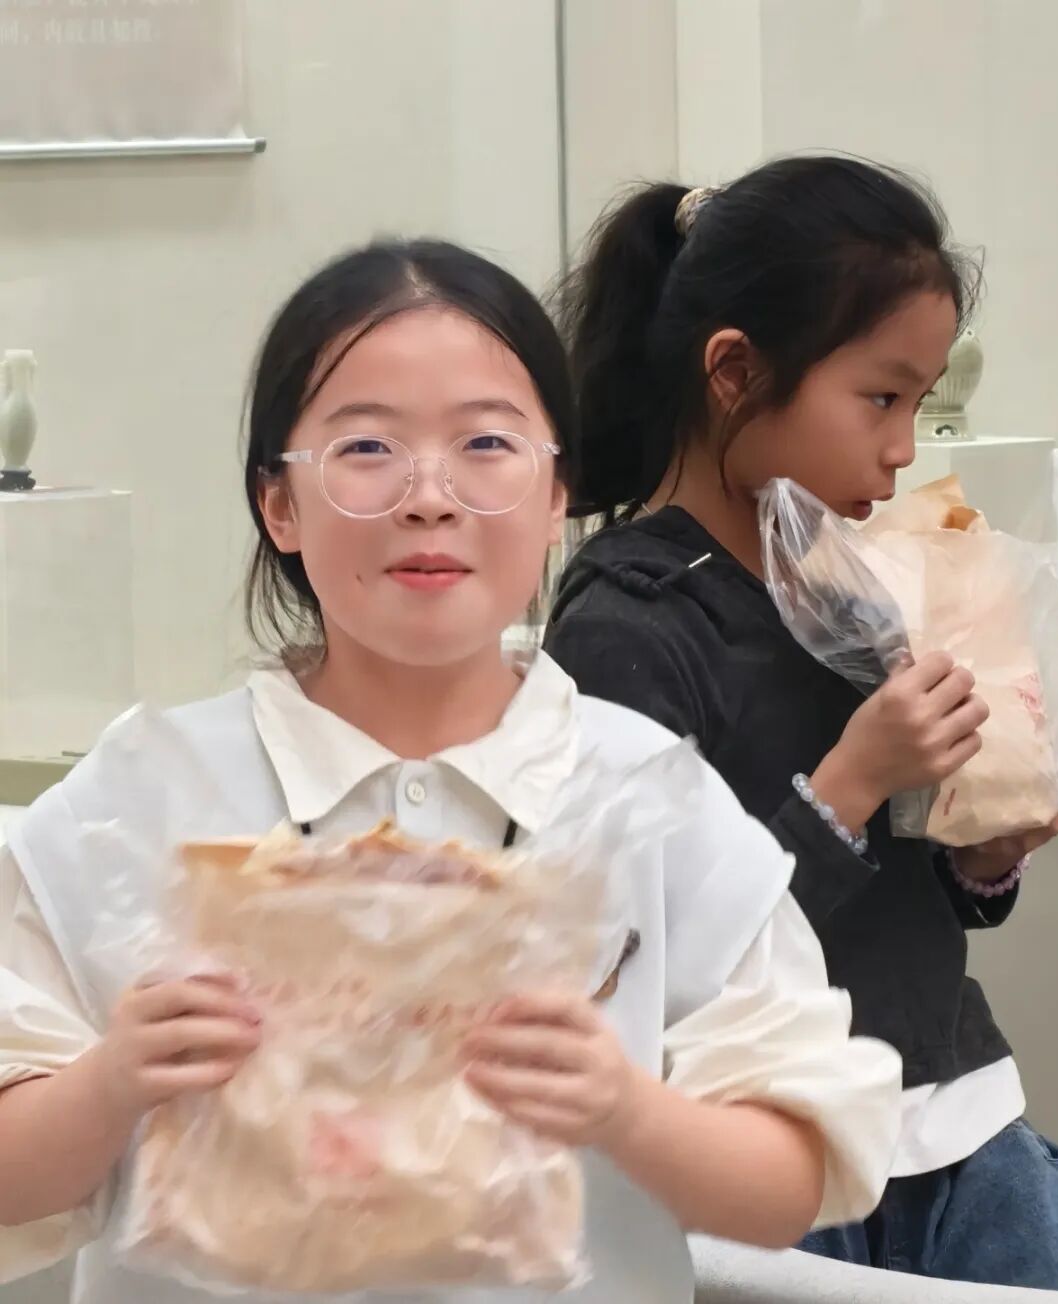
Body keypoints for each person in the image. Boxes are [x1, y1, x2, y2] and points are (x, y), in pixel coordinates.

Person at [0, 240, 899, 1304]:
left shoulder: (646, 798)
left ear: (556, 494)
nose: (429, 496)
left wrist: (624, 1108)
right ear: (278, 503)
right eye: (366, 446)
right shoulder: (143, 798)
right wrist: (110, 1085)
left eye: (486, 443)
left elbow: (790, 1184)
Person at [543, 156, 1058, 1291]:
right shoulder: (626, 622)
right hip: (768, 1159)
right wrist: (853, 779)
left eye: (918, 404)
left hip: (960, 1124)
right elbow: (649, 958)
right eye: (881, 399)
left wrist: (981, 852)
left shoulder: (856, 583)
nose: (904, 447)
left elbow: (905, 889)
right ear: (735, 372)